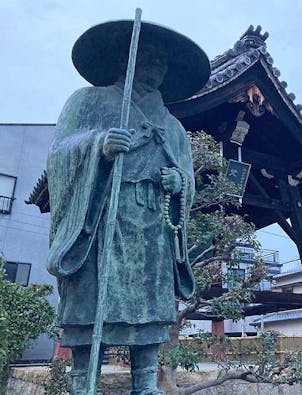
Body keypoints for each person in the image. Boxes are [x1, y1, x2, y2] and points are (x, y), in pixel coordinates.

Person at [46, 20, 210, 394]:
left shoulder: (173, 126)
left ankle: (146, 382)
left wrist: (179, 184)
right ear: (127, 58)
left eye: (162, 62)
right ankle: (82, 382)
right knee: (92, 304)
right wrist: (98, 145)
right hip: (104, 217)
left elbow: (187, 176)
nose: (156, 67)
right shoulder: (88, 101)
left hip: (152, 221)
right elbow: (58, 154)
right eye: (148, 57)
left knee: (150, 305)